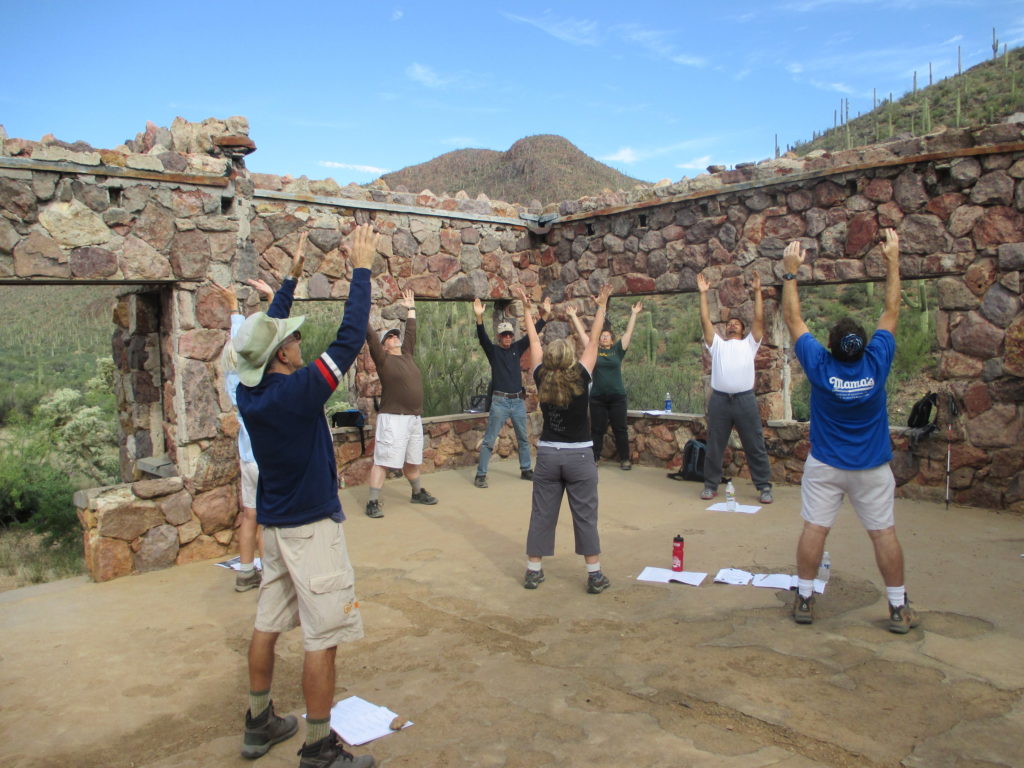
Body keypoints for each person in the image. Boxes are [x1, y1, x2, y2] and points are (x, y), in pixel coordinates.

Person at [233, 224, 378, 768]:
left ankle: (258, 720)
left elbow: (268, 337)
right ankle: (319, 747)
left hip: (274, 527)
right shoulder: (297, 393)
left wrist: (289, 280)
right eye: (292, 339)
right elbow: (347, 339)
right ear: (283, 357)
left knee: (267, 622)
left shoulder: (253, 393)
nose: (298, 341)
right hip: (311, 529)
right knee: (322, 636)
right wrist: (360, 269)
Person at [782, 229, 920, 634]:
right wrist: (893, 259)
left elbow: (793, 319)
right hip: (872, 468)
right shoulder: (877, 362)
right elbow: (892, 309)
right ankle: (897, 607)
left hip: (826, 465)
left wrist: (791, 273)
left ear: (830, 345)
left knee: (815, 529)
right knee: (883, 535)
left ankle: (805, 597)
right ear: (864, 347)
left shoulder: (820, 367)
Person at [519, 283, 612, 594]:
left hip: (548, 456)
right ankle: (594, 575)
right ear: (571, 358)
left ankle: (534, 571)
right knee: (585, 515)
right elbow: (595, 340)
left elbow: (532, 340)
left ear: (549, 360)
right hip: (580, 457)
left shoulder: (541, 377)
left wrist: (526, 308)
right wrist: (601, 306)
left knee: (542, 514)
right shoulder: (582, 377)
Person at [695, 271, 774, 504]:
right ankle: (710, 486)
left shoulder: (750, 344)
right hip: (720, 399)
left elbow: (759, 321)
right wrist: (703, 294)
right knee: (715, 445)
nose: (732, 325)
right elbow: (705, 320)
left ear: (742, 329)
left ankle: (764, 487)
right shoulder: (717, 345)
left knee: (754, 444)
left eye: (736, 323)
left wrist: (758, 292)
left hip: (744, 400)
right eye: (729, 323)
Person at [364, 288, 437, 518]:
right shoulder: (383, 359)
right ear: (384, 346)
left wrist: (411, 309)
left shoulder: (407, 355)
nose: (394, 338)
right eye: (390, 337)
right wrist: (360, 310)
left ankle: (417, 493)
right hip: (393, 418)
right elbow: (370, 336)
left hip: (414, 418)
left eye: (396, 335)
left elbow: (412, 334)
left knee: (413, 459)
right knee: (383, 460)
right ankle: (373, 502)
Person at [471, 295, 550, 488]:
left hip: (517, 402)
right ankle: (481, 474)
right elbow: (482, 339)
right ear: (498, 337)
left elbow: (533, 334)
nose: (507, 337)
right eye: (504, 335)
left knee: (523, 437)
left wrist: (545, 316)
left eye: (509, 335)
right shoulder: (494, 352)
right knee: (490, 439)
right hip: (500, 401)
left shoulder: (516, 347)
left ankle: (525, 469)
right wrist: (479, 318)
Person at [566, 300, 643, 470]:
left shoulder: (617, 350)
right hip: (597, 398)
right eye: (602, 335)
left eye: (607, 335)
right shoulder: (594, 350)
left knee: (620, 429)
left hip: (617, 397)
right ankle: (594, 458)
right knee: (597, 430)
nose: (604, 336)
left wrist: (634, 314)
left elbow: (629, 332)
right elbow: (585, 336)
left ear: (612, 339)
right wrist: (573, 316)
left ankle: (625, 459)